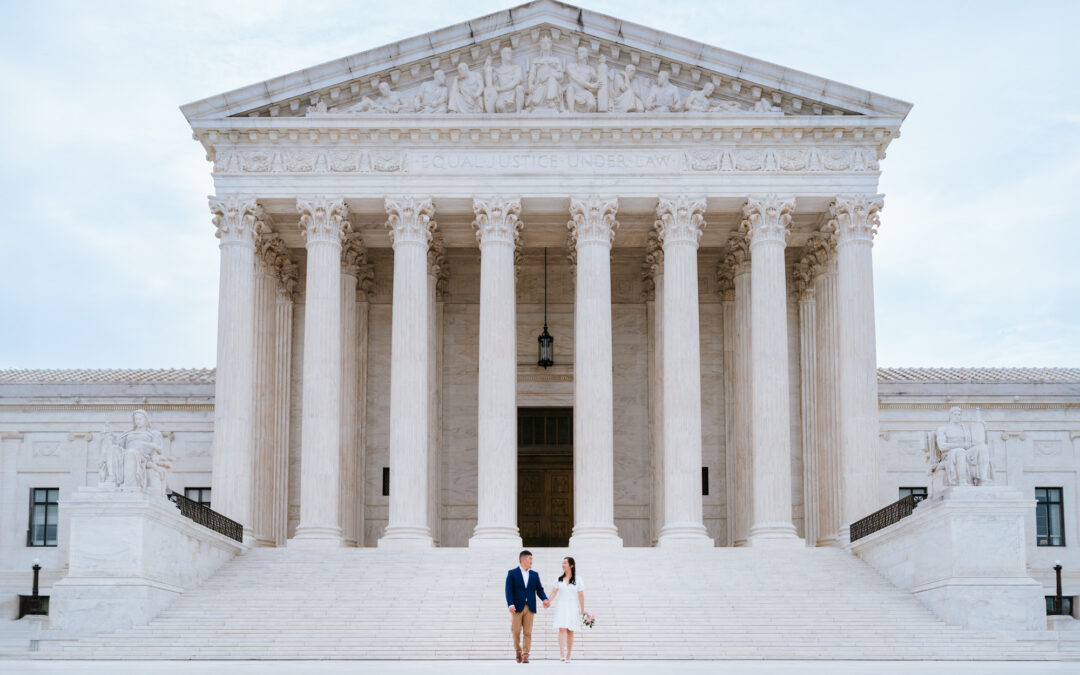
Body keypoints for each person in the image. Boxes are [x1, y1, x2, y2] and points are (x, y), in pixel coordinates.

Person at [505, 549, 549, 663]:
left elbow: (539, 589)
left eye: (531, 559)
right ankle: (517, 651)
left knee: (528, 632)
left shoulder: (534, 574)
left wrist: (544, 598)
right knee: (515, 631)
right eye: (530, 559)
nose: (531, 561)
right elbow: (508, 590)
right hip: (516, 608)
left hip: (530, 607)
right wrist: (510, 604)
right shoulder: (512, 573)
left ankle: (525, 655)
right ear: (523, 559)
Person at [548, 556, 585, 663]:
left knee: (570, 629)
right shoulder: (559, 579)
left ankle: (569, 654)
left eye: (565, 563)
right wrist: (548, 601)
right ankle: (562, 654)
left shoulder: (578, 579)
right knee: (561, 628)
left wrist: (582, 610)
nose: (563, 565)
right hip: (561, 605)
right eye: (562, 563)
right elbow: (554, 592)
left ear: (571, 565)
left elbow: (581, 595)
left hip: (572, 605)